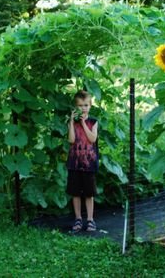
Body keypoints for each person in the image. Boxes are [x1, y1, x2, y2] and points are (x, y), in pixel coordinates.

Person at [66, 89, 99, 232]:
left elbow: (92, 139)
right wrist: (72, 123)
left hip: (88, 163)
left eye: (86, 105)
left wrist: (84, 123)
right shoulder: (72, 122)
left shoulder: (93, 122)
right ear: (76, 107)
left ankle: (90, 219)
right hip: (74, 163)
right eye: (80, 106)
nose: (83, 108)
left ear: (90, 106)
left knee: (89, 193)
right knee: (75, 192)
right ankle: (78, 218)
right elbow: (71, 140)